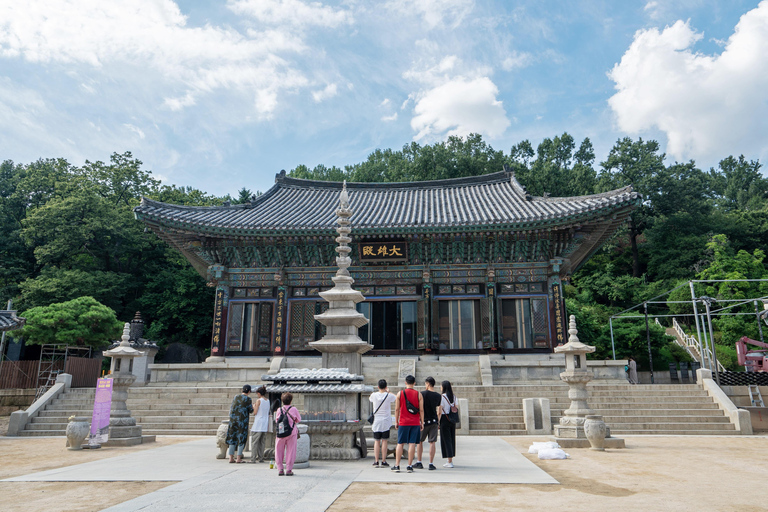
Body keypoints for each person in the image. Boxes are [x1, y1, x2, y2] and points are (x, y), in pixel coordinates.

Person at [391, 374, 423, 473]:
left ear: (405, 382)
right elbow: (421, 410)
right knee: (412, 443)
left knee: (400, 443)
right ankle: (409, 466)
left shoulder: (400, 394)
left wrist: (396, 421)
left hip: (403, 422)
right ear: (414, 383)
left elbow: (397, 409)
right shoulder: (419, 394)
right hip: (415, 422)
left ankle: (397, 465)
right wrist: (422, 421)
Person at [414, 376, 441, 470]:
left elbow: (419, 408)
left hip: (423, 421)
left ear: (428, 384)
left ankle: (419, 462)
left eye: (425, 383)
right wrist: (438, 420)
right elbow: (439, 410)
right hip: (434, 421)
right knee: (432, 442)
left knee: (420, 441)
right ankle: (431, 463)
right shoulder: (438, 396)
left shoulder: (422, 394)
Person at [369, 379, 397, 468]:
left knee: (376, 441)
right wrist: (389, 391)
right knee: (385, 441)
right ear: (385, 387)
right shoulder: (388, 395)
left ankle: (376, 460)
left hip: (376, 421)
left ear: (378, 386)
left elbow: (370, 399)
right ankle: (384, 461)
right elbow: (397, 397)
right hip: (386, 421)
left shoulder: (373, 395)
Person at [274, 392, 301, 476]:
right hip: (291, 433)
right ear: (291, 400)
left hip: (281, 433)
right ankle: (289, 469)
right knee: (291, 451)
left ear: (282, 400)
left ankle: (280, 469)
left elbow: (277, 420)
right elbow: (298, 420)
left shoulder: (279, 409)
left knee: (279, 451)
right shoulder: (294, 409)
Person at [226, 384, 254, 463]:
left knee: (232, 437)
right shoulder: (248, 399)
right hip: (242, 421)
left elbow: (232, 408)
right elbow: (251, 410)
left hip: (233, 421)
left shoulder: (236, 397)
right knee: (241, 438)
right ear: (249, 391)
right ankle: (238, 457)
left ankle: (231, 457)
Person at [439, 380, 457, 468]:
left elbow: (440, 409)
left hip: (444, 418)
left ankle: (449, 461)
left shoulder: (442, 397)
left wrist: (438, 421)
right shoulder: (453, 396)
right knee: (451, 438)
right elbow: (456, 407)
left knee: (446, 440)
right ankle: (450, 459)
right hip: (452, 419)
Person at [248, 386, 269, 463]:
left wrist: (254, 406)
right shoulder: (268, 401)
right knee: (262, 442)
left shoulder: (259, 400)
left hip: (258, 424)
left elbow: (255, 412)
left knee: (254, 442)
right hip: (265, 423)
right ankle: (261, 458)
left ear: (259, 393)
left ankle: (253, 458)